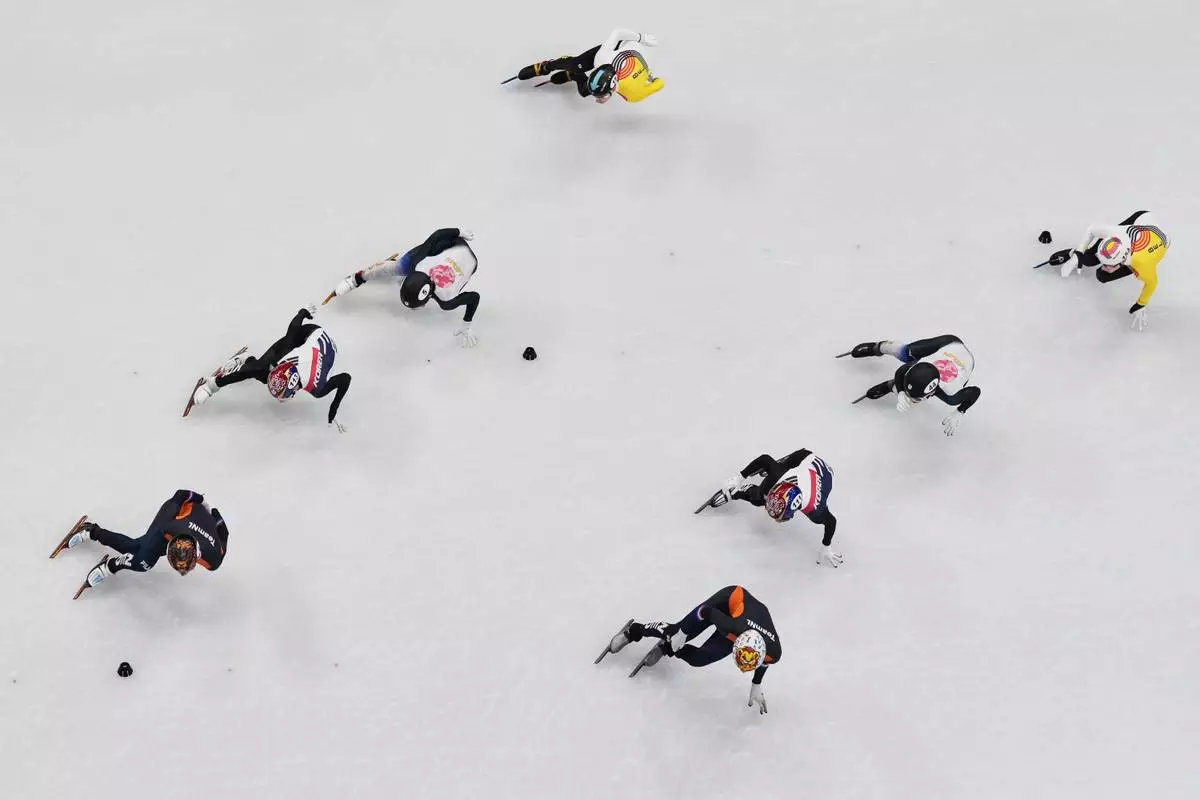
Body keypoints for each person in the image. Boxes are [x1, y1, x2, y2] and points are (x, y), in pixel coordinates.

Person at [596, 585, 781, 714]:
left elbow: (765, 663)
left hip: (742, 621)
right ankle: (635, 631)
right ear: (737, 643)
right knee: (676, 631)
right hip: (729, 601)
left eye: (746, 661)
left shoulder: (773, 653)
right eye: (741, 657)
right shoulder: (732, 628)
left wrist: (756, 684)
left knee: (699, 659)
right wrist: (682, 632)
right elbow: (705, 612)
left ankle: (669, 647)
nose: (742, 663)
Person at [189, 306, 351, 430]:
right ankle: (213, 385)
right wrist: (301, 313)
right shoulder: (290, 356)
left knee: (262, 373)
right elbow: (292, 333)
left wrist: (334, 406)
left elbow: (345, 378)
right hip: (309, 335)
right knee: (259, 370)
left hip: (321, 347)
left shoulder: (317, 387)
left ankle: (249, 361)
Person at [51, 490, 228, 599]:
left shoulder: (213, 559)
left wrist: (211, 509)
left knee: (138, 548)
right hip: (175, 514)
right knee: (144, 562)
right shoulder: (171, 527)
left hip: (193, 521)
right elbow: (181, 493)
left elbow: (223, 531)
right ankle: (111, 563)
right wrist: (199, 499)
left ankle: (92, 532)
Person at [323, 228, 481, 347]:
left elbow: (474, 298)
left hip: (462, 254)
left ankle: (373, 274)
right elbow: (436, 236)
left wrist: (467, 325)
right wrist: (356, 280)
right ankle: (357, 278)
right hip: (454, 246)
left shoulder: (447, 298)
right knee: (399, 266)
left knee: (401, 267)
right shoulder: (418, 264)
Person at [700, 448, 843, 567]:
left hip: (821, 472)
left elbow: (832, 522)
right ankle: (740, 492)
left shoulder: (815, 509)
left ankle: (776, 471)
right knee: (760, 497)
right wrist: (739, 477)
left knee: (763, 494)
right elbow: (765, 459)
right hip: (803, 459)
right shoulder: (780, 476)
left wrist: (826, 546)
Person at [1048, 210, 1170, 331]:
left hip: (1149, 244)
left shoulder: (1141, 263)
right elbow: (1091, 229)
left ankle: (1088, 256)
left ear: (1122, 263)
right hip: (1142, 219)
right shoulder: (1116, 234)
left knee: (1102, 276)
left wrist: (1141, 304)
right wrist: (1079, 252)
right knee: (1090, 260)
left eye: (1107, 265)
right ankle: (1074, 252)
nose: (1103, 266)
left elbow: (1152, 282)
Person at [841, 334, 981, 436]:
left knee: (914, 395)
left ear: (932, 392)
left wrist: (960, 411)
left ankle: (892, 386)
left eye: (916, 398)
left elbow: (975, 392)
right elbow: (902, 371)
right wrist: (901, 392)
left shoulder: (951, 392)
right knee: (904, 353)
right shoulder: (919, 364)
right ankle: (879, 347)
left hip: (962, 357)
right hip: (948, 343)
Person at [511, 28, 663, 104]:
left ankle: (574, 75)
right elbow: (617, 32)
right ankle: (547, 66)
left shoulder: (634, 94)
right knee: (575, 64)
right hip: (617, 49)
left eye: (600, 96)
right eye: (600, 96)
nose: (598, 100)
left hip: (630, 55)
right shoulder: (602, 56)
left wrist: (650, 77)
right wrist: (640, 37)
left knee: (584, 92)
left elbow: (660, 84)